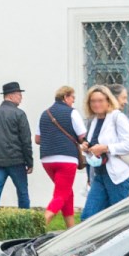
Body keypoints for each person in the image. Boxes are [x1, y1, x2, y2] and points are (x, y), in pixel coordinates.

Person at [79, 85, 129, 220]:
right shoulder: (93, 121)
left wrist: (106, 148)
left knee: (118, 219)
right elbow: (96, 146)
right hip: (99, 174)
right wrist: (88, 148)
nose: (96, 104)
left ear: (108, 100)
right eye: (93, 101)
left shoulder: (117, 117)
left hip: (118, 176)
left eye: (100, 100)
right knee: (88, 217)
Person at [35, 85, 86, 228]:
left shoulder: (44, 114)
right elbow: (82, 136)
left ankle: (71, 229)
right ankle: (39, 226)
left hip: (47, 159)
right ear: (66, 97)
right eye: (72, 99)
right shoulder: (72, 112)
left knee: (67, 192)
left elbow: (38, 139)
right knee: (61, 195)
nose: (73, 102)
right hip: (67, 159)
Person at [0, 82, 33, 209]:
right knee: (22, 192)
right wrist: (29, 162)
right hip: (16, 161)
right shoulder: (19, 114)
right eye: (19, 95)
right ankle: (25, 221)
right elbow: (26, 141)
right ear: (11, 96)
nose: (21, 98)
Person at [107, 83, 129, 187]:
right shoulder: (101, 118)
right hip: (108, 172)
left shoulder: (119, 117)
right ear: (114, 98)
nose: (126, 102)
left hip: (120, 172)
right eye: (124, 98)